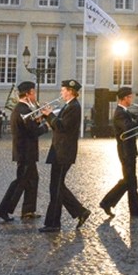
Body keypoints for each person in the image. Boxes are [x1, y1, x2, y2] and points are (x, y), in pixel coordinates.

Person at [39, 79, 91, 232]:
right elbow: (57, 123)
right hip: (59, 150)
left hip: (63, 152)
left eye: (63, 90)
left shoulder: (74, 107)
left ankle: (54, 223)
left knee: (56, 187)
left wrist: (49, 115)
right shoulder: (68, 106)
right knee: (57, 186)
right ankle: (79, 212)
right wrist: (46, 116)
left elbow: (62, 126)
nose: (61, 93)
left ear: (70, 91)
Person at [100, 86, 138, 218]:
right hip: (125, 151)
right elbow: (128, 128)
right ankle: (106, 202)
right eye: (130, 97)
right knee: (129, 181)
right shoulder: (119, 113)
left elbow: (137, 123)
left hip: (130, 150)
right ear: (125, 98)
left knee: (131, 181)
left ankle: (136, 210)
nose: (132, 99)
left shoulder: (125, 111)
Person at [0, 81, 42, 222]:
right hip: (25, 152)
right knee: (20, 181)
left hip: (25, 152)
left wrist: (37, 121)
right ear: (27, 94)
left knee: (32, 180)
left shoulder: (22, 109)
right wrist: (45, 126)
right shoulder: (24, 110)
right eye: (33, 92)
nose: (35, 95)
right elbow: (32, 132)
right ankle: (3, 210)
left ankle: (28, 210)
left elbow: (28, 128)